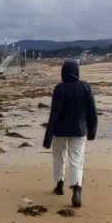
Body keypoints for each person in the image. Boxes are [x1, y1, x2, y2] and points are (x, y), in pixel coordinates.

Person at [42, 60, 98, 208]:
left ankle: (59, 185)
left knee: (59, 157)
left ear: (63, 73)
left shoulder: (59, 88)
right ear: (77, 72)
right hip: (79, 130)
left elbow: (54, 114)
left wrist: (48, 137)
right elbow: (92, 112)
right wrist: (92, 132)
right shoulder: (85, 87)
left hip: (60, 130)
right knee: (77, 160)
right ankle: (76, 191)